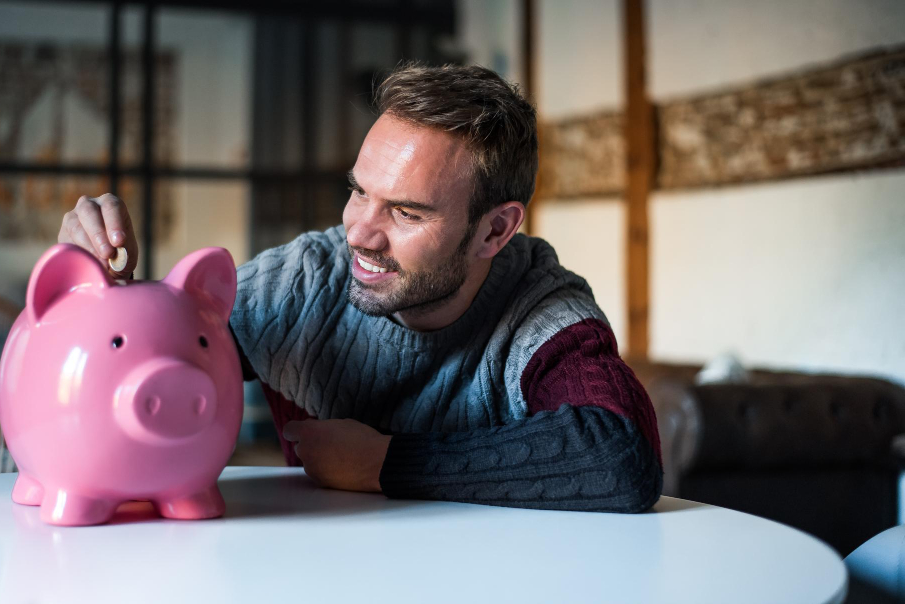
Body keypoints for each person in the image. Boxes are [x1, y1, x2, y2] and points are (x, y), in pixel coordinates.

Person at [57, 63, 662, 513]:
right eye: (358, 191)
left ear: (494, 231)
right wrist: (86, 292)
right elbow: (133, 371)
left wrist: (384, 464)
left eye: (406, 213)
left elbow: (620, 455)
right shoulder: (304, 282)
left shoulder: (542, 307)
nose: (359, 233)